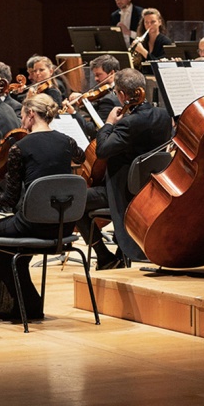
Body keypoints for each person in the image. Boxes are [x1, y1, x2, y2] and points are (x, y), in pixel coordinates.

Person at [0, 93, 87, 321]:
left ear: (30, 114)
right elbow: (81, 157)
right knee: (7, 247)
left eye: (21, 116)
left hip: (32, 225)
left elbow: (8, 200)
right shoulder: (67, 141)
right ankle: (21, 304)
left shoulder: (20, 148)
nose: (20, 123)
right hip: (64, 226)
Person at [80, 68, 172, 267]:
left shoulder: (128, 123)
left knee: (73, 200)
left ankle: (104, 257)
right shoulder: (164, 116)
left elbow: (103, 150)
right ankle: (119, 253)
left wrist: (109, 123)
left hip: (122, 191)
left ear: (122, 94)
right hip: (149, 188)